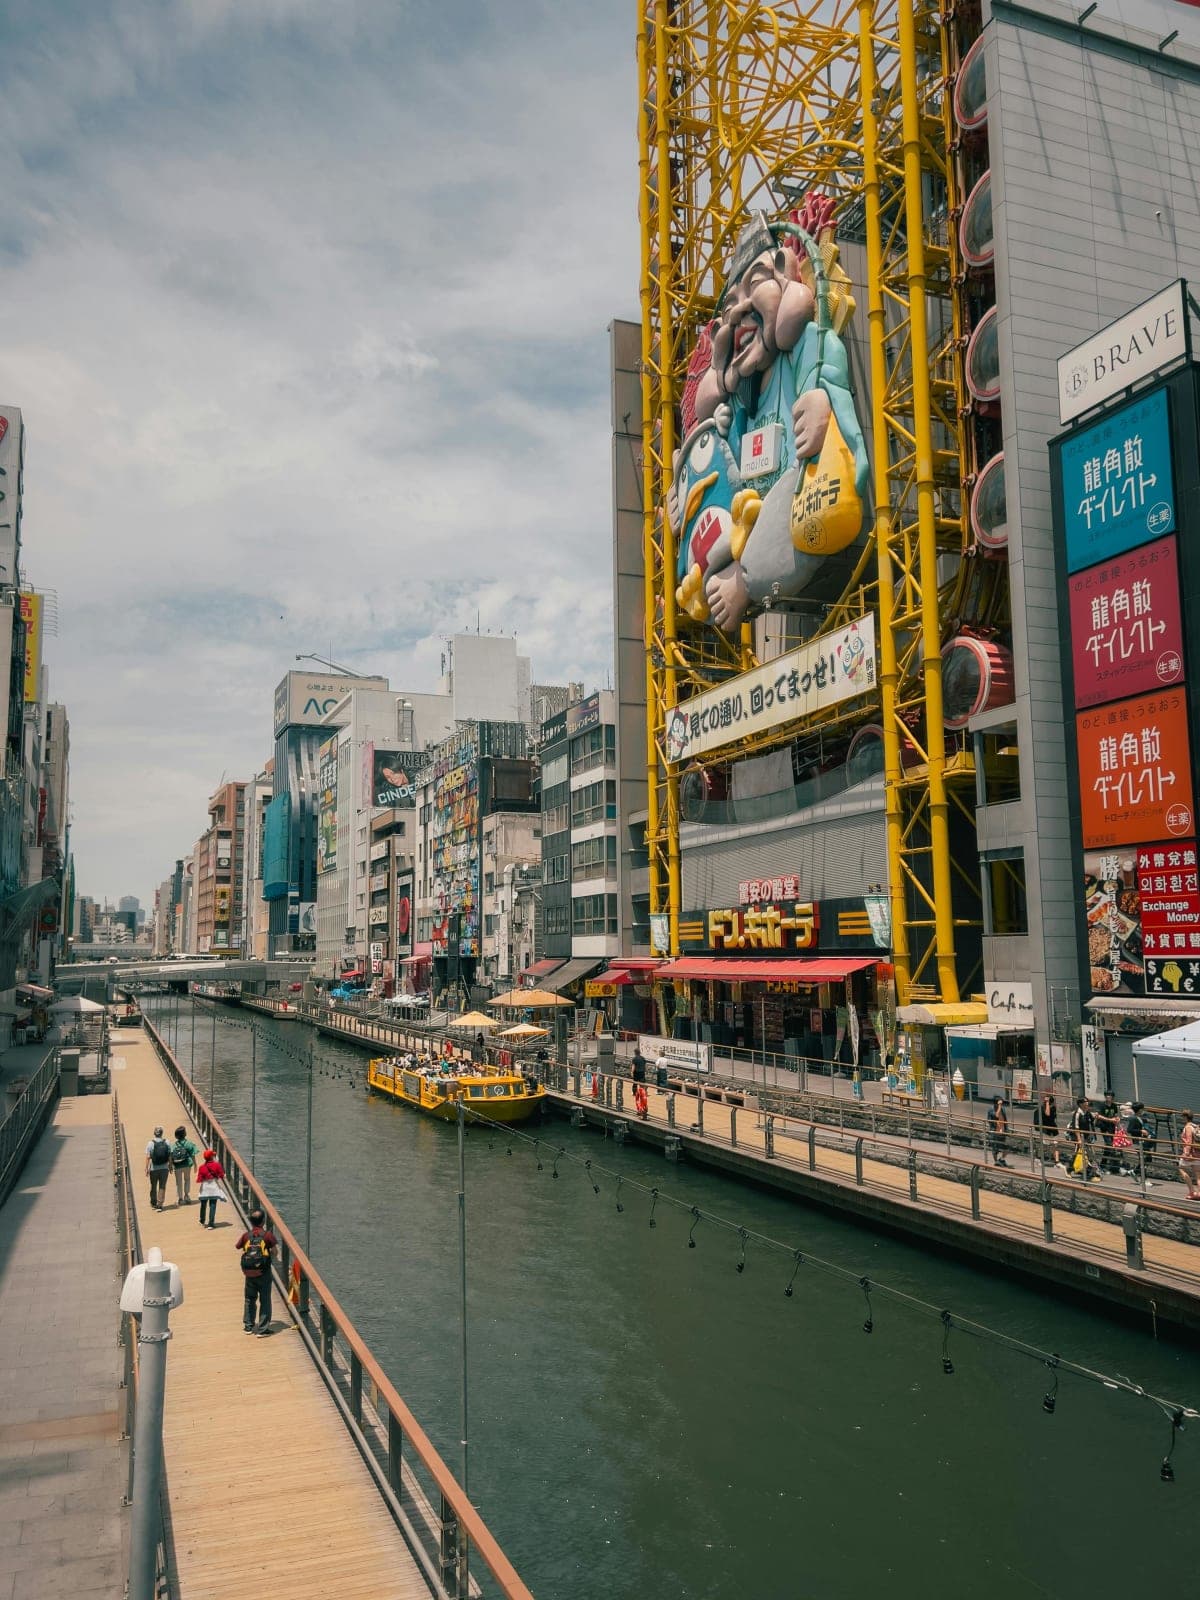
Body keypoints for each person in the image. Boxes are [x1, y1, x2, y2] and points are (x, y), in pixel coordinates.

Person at [236, 1208, 278, 1334]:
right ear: (263, 1221)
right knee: (265, 1299)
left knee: (249, 1298)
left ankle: (248, 1326)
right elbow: (275, 1252)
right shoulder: (267, 1235)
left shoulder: (246, 1235)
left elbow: (238, 1246)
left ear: (251, 1222)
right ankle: (263, 1329)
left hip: (249, 1273)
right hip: (263, 1272)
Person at [1069, 1096, 1099, 1182]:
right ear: (1081, 1104)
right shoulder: (1077, 1113)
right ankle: (1090, 1174)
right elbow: (1076, 1127)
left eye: (1087, 1101)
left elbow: (1092, 1122)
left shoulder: (1087, 1112)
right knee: (1084, 1155)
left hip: (1086, 1137)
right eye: (1085, 1102)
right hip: (1078, 1137)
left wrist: (1096, 1118)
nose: (1087, 1103)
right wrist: (1079, 1140)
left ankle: (1072, 1169)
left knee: (1087, 1155)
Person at [169, 1125, 199, 1205]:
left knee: (178, 1182)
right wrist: (195, 1165)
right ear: (185, 1134)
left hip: (177, 1166)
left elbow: (171, 1156)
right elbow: (193, 1154)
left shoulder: (174, 1145)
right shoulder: (189, 1143)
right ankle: (187, 1196)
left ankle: (180, 1198)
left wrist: (170, 1166)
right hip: (187, 1165)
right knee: (187, 1180)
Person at [196, 1148, 225, 1228]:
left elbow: (199, 1179)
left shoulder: (202, 1167)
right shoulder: (217, 1165)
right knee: (213, 1205)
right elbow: (222, 1175)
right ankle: (211, 1224)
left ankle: (202, 1221)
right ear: (212, 1156)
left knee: (203, 1204)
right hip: (213, 1187)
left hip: (205, 1187)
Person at [145, 1126, 171, 1210]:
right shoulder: (167, 1142)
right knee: (162, 1186)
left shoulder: (150, 1143)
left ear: (154, 1133)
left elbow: (148, 1157)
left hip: (154, 1168)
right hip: (164, 1168)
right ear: (162, 1133)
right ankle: (160, 1204)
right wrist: (170, 1165)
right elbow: (170, 1155)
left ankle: (153, 1202)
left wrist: (146, 1168)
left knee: (153, 1186)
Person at [1095, 1090, 1121, 1174]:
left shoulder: (1114, 1106)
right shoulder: (1102, 1105)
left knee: (1110, 1146)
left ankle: (1105, 1165)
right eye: (1107, 1095)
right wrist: (1110, 1120)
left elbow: (1116, 1115)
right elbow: (1098, 1116)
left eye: (1110, 1095)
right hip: (1104, 1127)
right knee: (1109, 1145)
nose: (1108, 1097)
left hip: (1112, 1128)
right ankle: (1111, 1166)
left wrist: (1117, 1120)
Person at [1034, 1091, 1060, 1169]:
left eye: (1047, 1101)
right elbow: (1046, 1114)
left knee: (1055, 1146)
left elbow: (1049, 1114)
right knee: (1044, 1146)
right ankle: (1039, 1158)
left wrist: (1048, 1104)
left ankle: (1057, 1162)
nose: (1045, 1102)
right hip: (1045, 1130)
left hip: (1053, 1129)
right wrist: (1047, 1104)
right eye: (1045, 1101)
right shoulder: (1041, 1109)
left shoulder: (1053, 1108)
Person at [1179, 1109, 1200, 1200]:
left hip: (1190, 1154)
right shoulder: (1195, 1126)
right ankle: (1199, 1193)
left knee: (1181, 1169)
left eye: (1183, 1117)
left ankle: (1191, 1191)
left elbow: (1189, 1141)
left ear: (1185, 1117)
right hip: (1198, 1153)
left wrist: (1186, 1154)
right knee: (1198, 1174)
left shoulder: (1188, 1127)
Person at [986, 1096, 1009, 1167]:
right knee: (995, 1148)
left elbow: (1004, 1119)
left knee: (1006, 1148)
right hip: (995, 1131)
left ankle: (1001, 1159)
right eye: (999, 1103)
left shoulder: (1002, 1108)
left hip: (1002, 1130)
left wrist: (1006, 1128)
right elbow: (996, 1115)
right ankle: (996, 1161)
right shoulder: (991, 1109)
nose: (1001, 1104)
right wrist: (999, 1106)